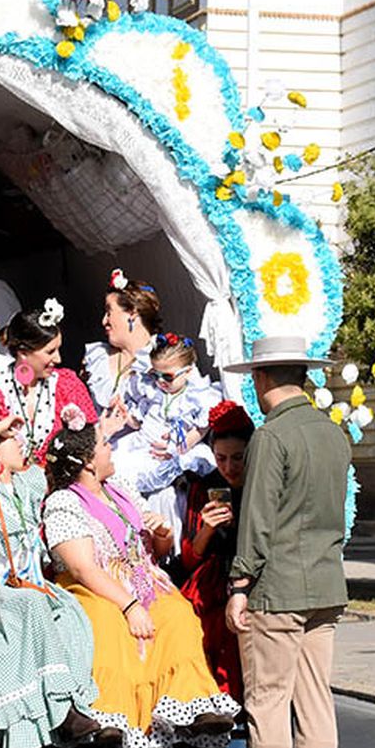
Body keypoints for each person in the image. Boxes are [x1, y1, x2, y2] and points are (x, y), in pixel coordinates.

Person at [205, 336, 349, 748]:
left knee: (268, 701)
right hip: (326, 585)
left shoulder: (271, 436)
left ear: (263, 379)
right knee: (315, 703)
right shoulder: (334, 434)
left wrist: (239, 584)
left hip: (278, 587)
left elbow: (259, 520)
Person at [42, 413, 239, 748]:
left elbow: (152, 551)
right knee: (106, 622)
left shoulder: (123, 491)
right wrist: (129, 606)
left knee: (177, 614)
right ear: (88, 462)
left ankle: (190, 706)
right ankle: (109, 716)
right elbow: (82, 566)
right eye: (105, 445)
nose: (110, 450)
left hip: (142, 580)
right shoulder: (64, 502)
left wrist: (162, 537)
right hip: (94, 587)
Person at [0, 414, 102, 748]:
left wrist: (71, 426)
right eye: (11, 440)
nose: (20, 443)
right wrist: (2, 422)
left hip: (33, 583)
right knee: (31, 604)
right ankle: (62, 711)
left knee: (71, 615)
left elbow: (56, 457)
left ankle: (49, 728)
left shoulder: (27, 484)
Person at [111, 332, 223, 543]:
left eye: (167, 376)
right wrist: (126, 416)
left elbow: (200, 429)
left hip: (169, 452)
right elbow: (139, 421)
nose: (160, 381)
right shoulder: (154, 392)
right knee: (117, 470)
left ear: (188, 372)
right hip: (142, 445)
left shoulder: (196, 396)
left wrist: (176, 448)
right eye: (155, 375)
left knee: (157, 490)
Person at [178, 400, 253, 699]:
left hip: (247, 579)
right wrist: (208, 528)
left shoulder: (261, 484)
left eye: (237, 458)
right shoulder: (204, 486)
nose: (229, 467)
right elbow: (189, 557)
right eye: (220, 458)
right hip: (209, 581)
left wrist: (238, 525)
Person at [0, 302, 102, 465]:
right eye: (50, 352)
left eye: (58, 350)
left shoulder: (68, 384)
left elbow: (93, 440)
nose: (58, 359)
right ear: (23, 352)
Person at [82, 269, 160, 412]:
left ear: (132, 313)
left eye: (109, 312)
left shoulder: (165, 357)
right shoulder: (97, 358)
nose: (104, 321)